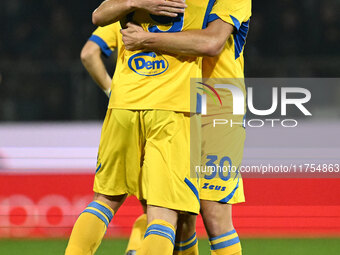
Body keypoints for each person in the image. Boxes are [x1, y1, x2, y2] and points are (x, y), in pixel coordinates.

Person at [64, 0, 220, 254]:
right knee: (163, 213)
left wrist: (136, 4)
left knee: (104, 200)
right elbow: (211, 43)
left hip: (124, 103)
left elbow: (98, 17)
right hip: (172, 109)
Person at [120, 0, 252, 254]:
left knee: (214, 212)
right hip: (174, 105)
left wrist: (146, 39)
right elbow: (102, 14)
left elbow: (211, 42)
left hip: (218, 109)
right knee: (179, 215)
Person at [80, 22, 148, 255]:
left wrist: (112, 91)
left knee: (105, 199)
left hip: (122, 111)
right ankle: (137, 249)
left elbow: (88, 53)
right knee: (163, 208)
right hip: (166, 113)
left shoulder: (124, 17)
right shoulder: (182, 15)